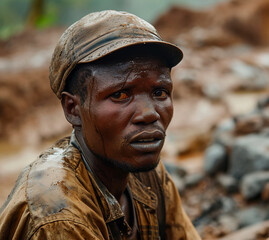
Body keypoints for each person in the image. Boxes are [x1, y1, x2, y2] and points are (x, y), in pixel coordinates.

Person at [0, 10, 201, 240]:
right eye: (121, 95)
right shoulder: (57, 215)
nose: (149, 114)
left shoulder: (148, 177)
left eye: (159, 92)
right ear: (73, 109)